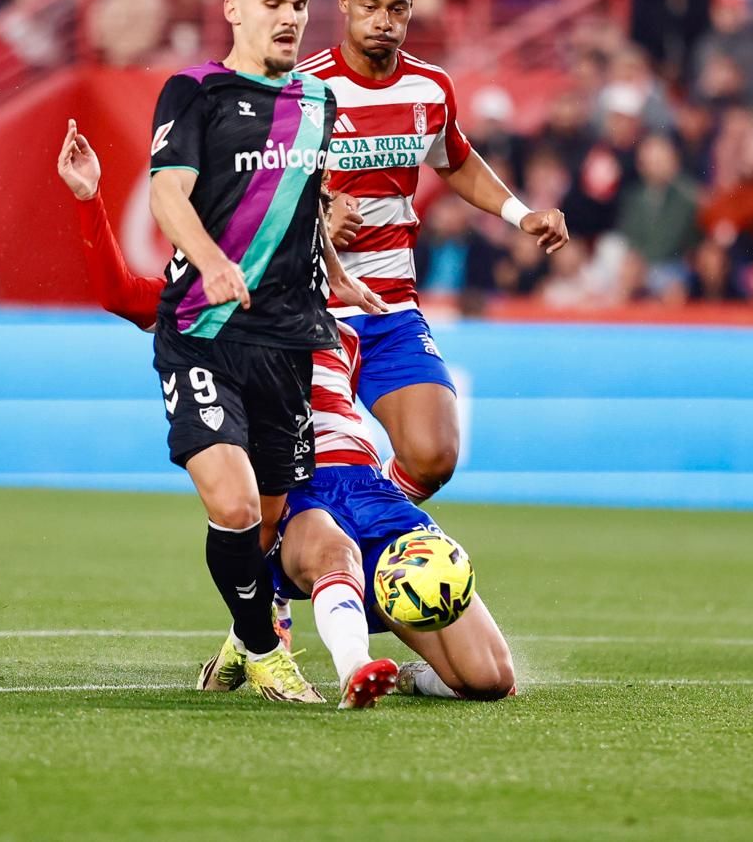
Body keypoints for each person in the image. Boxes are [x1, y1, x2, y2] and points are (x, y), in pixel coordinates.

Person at [56, 123, 515, 709]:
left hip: (370, 487)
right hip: (296, 487)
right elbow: (122, 294)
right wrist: (88, 197)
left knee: (489, 679)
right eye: (313, 205)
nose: (324, 216)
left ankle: (389, 669)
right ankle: (354, 667)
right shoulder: (219, 292)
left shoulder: (348, 319)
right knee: (331, 551)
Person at [146, 0, 385, 704]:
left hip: (288, 342)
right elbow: (167, 194)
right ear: (234, 10)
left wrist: (339, 272)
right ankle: (265, 647)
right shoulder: (195, 91)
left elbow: (304, 205)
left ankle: (242, 634)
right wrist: (212, 261)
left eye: (298, 4)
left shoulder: (319, 101)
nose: (289, 18)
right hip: (205, 331)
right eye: (272, 4)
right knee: (235, 503)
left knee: (270, 523)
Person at [294, 0, 569, 503]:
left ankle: (361, 535)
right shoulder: (305, 89)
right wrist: (318, 210)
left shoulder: (429, 87)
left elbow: (457, 159)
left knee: (433, 456)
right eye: (370, 6)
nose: (383, 21)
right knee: (301, 469)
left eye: (398, 9)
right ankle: (298, 563)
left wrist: (521, 214)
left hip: (392, 305)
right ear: (344, 3)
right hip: (312, 308)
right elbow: (262, 189)